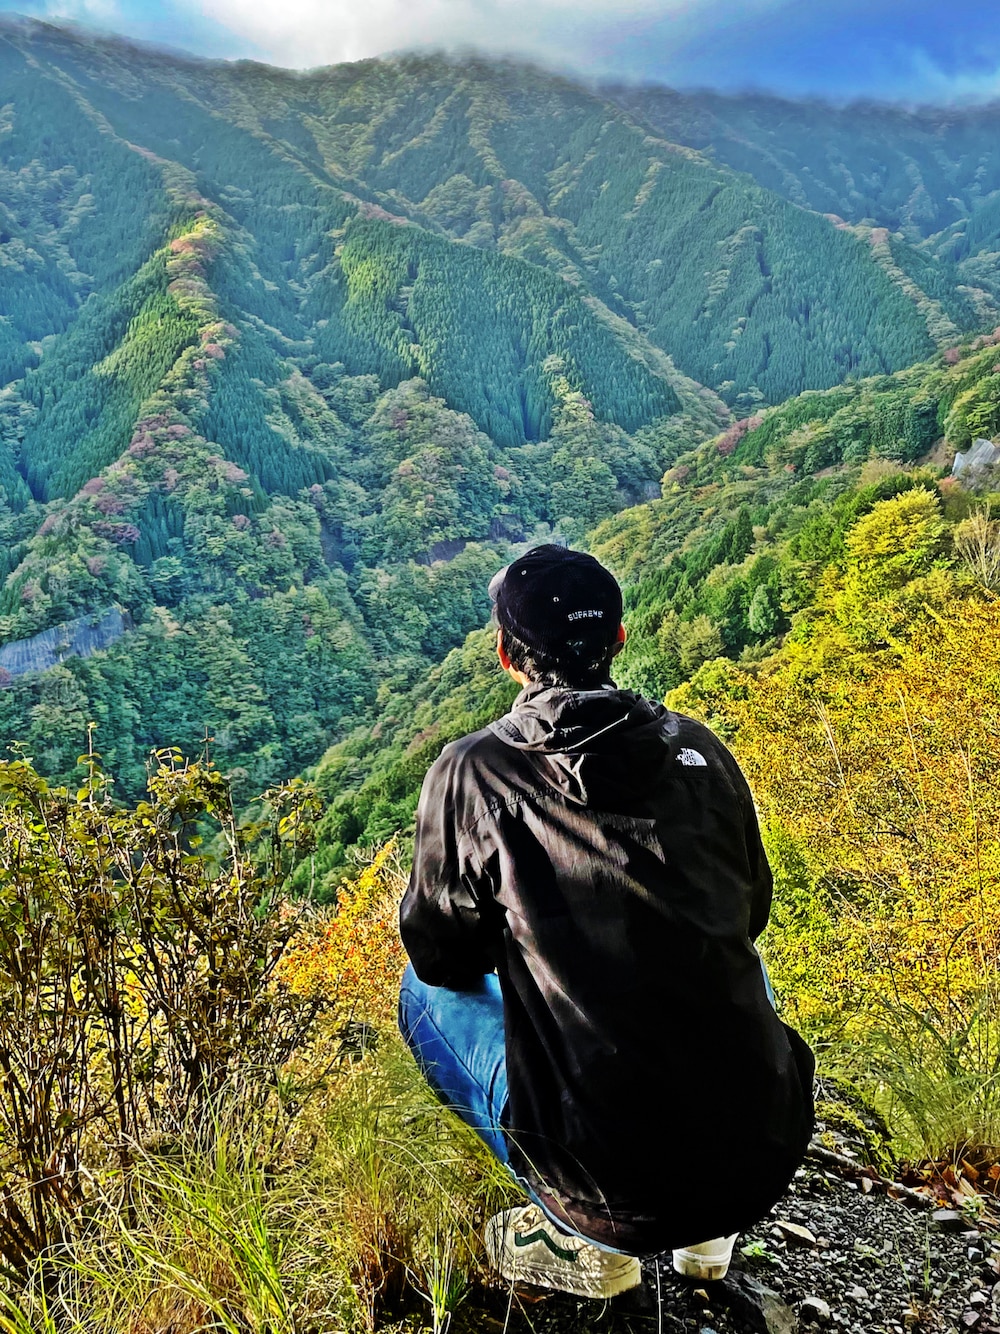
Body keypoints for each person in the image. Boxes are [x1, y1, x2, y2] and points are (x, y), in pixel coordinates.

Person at [397, 544, 814, 1298]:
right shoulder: (700, 749)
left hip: (603, 1186)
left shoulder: (471, 773)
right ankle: (707, 1232)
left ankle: (586, 1242)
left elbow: (440, 956)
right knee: (722, 955)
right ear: (619, 638)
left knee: (418, 992)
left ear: (505, 655)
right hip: (763, 1153)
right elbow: (751, 909)